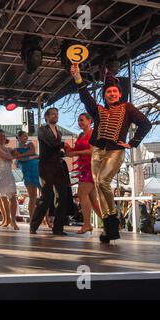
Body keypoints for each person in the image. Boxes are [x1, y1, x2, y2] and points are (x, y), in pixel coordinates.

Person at [71, 64, 152, 242]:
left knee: (102, 181)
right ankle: (109, 229)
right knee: (100, 187)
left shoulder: (127, 108)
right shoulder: (98, 110)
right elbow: (85, 98)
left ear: (120, 94)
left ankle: (113, 222)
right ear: (105, 95)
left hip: (115, 151)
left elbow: (146, 124)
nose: (112, 94)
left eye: (115, 91)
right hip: (98, 151)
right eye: (109, 92)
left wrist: (132, 143)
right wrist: (77, 77)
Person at [30, 108, 71, 236]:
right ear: (47, 117)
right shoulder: (42, 130)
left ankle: (58, 228)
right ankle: (33, 225)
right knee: (46, 198)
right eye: (53, 114)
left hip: (58, 167)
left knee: (62, 197)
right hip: (45, 167)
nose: (56, 116)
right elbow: (51, 143)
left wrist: (63, 152)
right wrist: (64, 145)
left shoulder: (58, 132)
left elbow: (55, 149)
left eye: (57, 114)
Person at [66, 113, 102, 234]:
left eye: (82, 120)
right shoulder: (81, 135)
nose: (80, 123)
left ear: (89, 120)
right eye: (78, 121)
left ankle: (87, 224)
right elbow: (76, 150)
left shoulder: (93, 133)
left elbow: (92, 151)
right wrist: (67, 148)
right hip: (83, 168)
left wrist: (75, 153)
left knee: (81, 194)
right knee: (92, 200)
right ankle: (110, 222)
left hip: (91, 167)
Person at [15, 130, 40, 222]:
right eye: (24, 136)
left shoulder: (30, 144)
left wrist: (23, 155)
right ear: (19, 138)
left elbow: (32, 151)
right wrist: (34, 156)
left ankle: (46, 219)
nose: (26, 138)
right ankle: (32, 219)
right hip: (28, 174)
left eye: (26, 136)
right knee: (32, 197)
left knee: (44, 196)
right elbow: (21, 160)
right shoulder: (16, 150)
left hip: (37, 172)